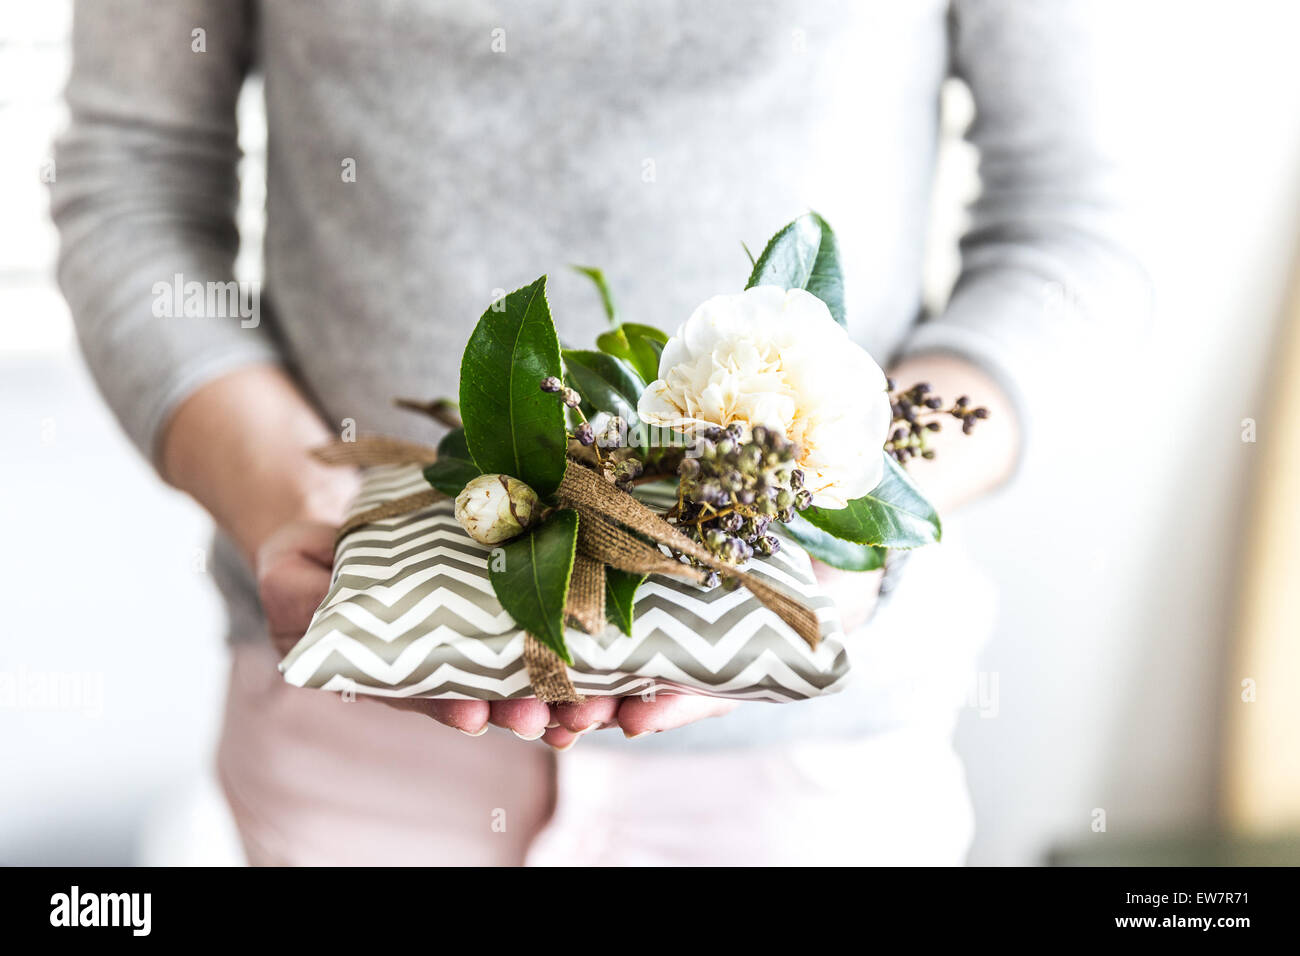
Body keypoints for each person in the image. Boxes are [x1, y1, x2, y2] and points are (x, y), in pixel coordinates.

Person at [51, 0, 1140, 865]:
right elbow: (132, 183)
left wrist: (849, 515)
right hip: (353, 721)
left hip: (815, 757)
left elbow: (1069, 229)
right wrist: (286, 494)